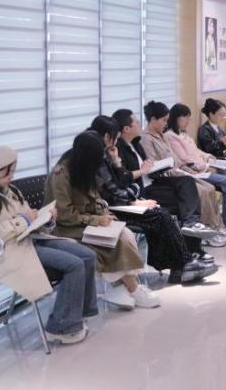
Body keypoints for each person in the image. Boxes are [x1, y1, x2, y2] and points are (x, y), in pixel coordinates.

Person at [0, 145, 98, 345]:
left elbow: (28, 219)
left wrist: (45, 220)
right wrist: (24, 220)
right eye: (6, 173)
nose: (11, 177)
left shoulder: (11, 191)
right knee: (74, 265)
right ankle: (60, 327)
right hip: (5, 251)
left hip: (28, 240)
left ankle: (78, 313)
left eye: (12, 171)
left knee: (88, 255)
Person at [89, 116, 215, 284]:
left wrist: (117, 164)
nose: (116, 141)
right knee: (161, 215)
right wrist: (134, 199)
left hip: (125, 199)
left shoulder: (114, 151)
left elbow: (119, 184)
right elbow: (115, 190)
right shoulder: (97, 158)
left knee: (183, 199)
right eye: (115, 137)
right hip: (113, 208)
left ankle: (187, 256)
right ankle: (182, 264)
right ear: (107, 136)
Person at [45, 132, 160, 310]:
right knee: (113, 242)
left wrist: (105, 214)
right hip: (66, 229)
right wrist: (96, 220)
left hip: (85, 223)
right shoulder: (61, 174)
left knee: (125, 233)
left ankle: (122, 288)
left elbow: (96, 198)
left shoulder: (82, 167)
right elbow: (65, 215)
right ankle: (133, 288)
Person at [111, 108, 217, 242]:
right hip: (143, 189)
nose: (140, 124)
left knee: (187, 181)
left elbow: (147, 166)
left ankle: (192, 224)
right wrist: (142, 170)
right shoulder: (118, 149)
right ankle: (193, 235)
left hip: (154, 180)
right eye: (136, 122)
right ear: (126, 129)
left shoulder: (135, 143)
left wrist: (152, 165)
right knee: (186, 201)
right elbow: (123, 178)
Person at [138, 101, 226, 246]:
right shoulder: (146, 139)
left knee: (209, 188)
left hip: (178, 172)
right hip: (165, 178)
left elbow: (176, 159)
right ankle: (207, 232)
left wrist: (187, 170)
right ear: (153, 119)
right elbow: (153, 165)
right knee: (201, 192)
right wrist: (179, 170)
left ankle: (217, 228)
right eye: (163, 120)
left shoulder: (162, 135)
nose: (166, 123)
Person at [166, 103, 226, 236]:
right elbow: (185, 160)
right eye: (185, 117)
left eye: (189, 117)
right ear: (175, 118)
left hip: (205, 167)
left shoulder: (184, 134)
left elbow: (196, 151)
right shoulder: (170, 136)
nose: (188, 120)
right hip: (197, 172)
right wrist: (206, 167)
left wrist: (208, 157)